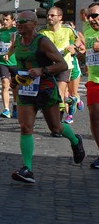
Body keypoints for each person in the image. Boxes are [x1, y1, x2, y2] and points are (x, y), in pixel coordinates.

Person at [8, 11, 85, 183]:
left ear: (34, 24)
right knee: (25, 127)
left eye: (23, 21)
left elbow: (62, 64)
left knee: (55, 128)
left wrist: (42, 70)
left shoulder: (42, 41)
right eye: (17, 21)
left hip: (46, 88)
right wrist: (15, 80)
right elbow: (19, 64)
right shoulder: (18, 41)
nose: (18, 24)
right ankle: (27, 169)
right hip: (26, 89)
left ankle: (75, 139)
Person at [38, 7, 81, 124]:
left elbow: (78, 40)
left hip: (64, 66)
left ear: (60, 17)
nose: (49, 18)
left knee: (60, 93)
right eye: (48, 15)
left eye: (52, 15)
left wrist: (74, 47)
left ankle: (58, 123)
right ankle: (69, 102)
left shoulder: (67, 29)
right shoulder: (42, 31)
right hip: (48, 67)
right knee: (49, 95)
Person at [0, 12, 18, 118]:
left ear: (12, 20)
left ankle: (16, 106)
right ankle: (6, 109)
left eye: (7, 19)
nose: (4, 21)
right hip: (2, 61)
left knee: (15, 86)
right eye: (3, 19)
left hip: (15, 62)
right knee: (4, 84)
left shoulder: (16, 31)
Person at [83, 4, 99, 168]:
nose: (91, 19)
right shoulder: (87, 32)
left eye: (94, 15)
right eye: (89, 16)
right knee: (95, 119)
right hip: (93, 80)